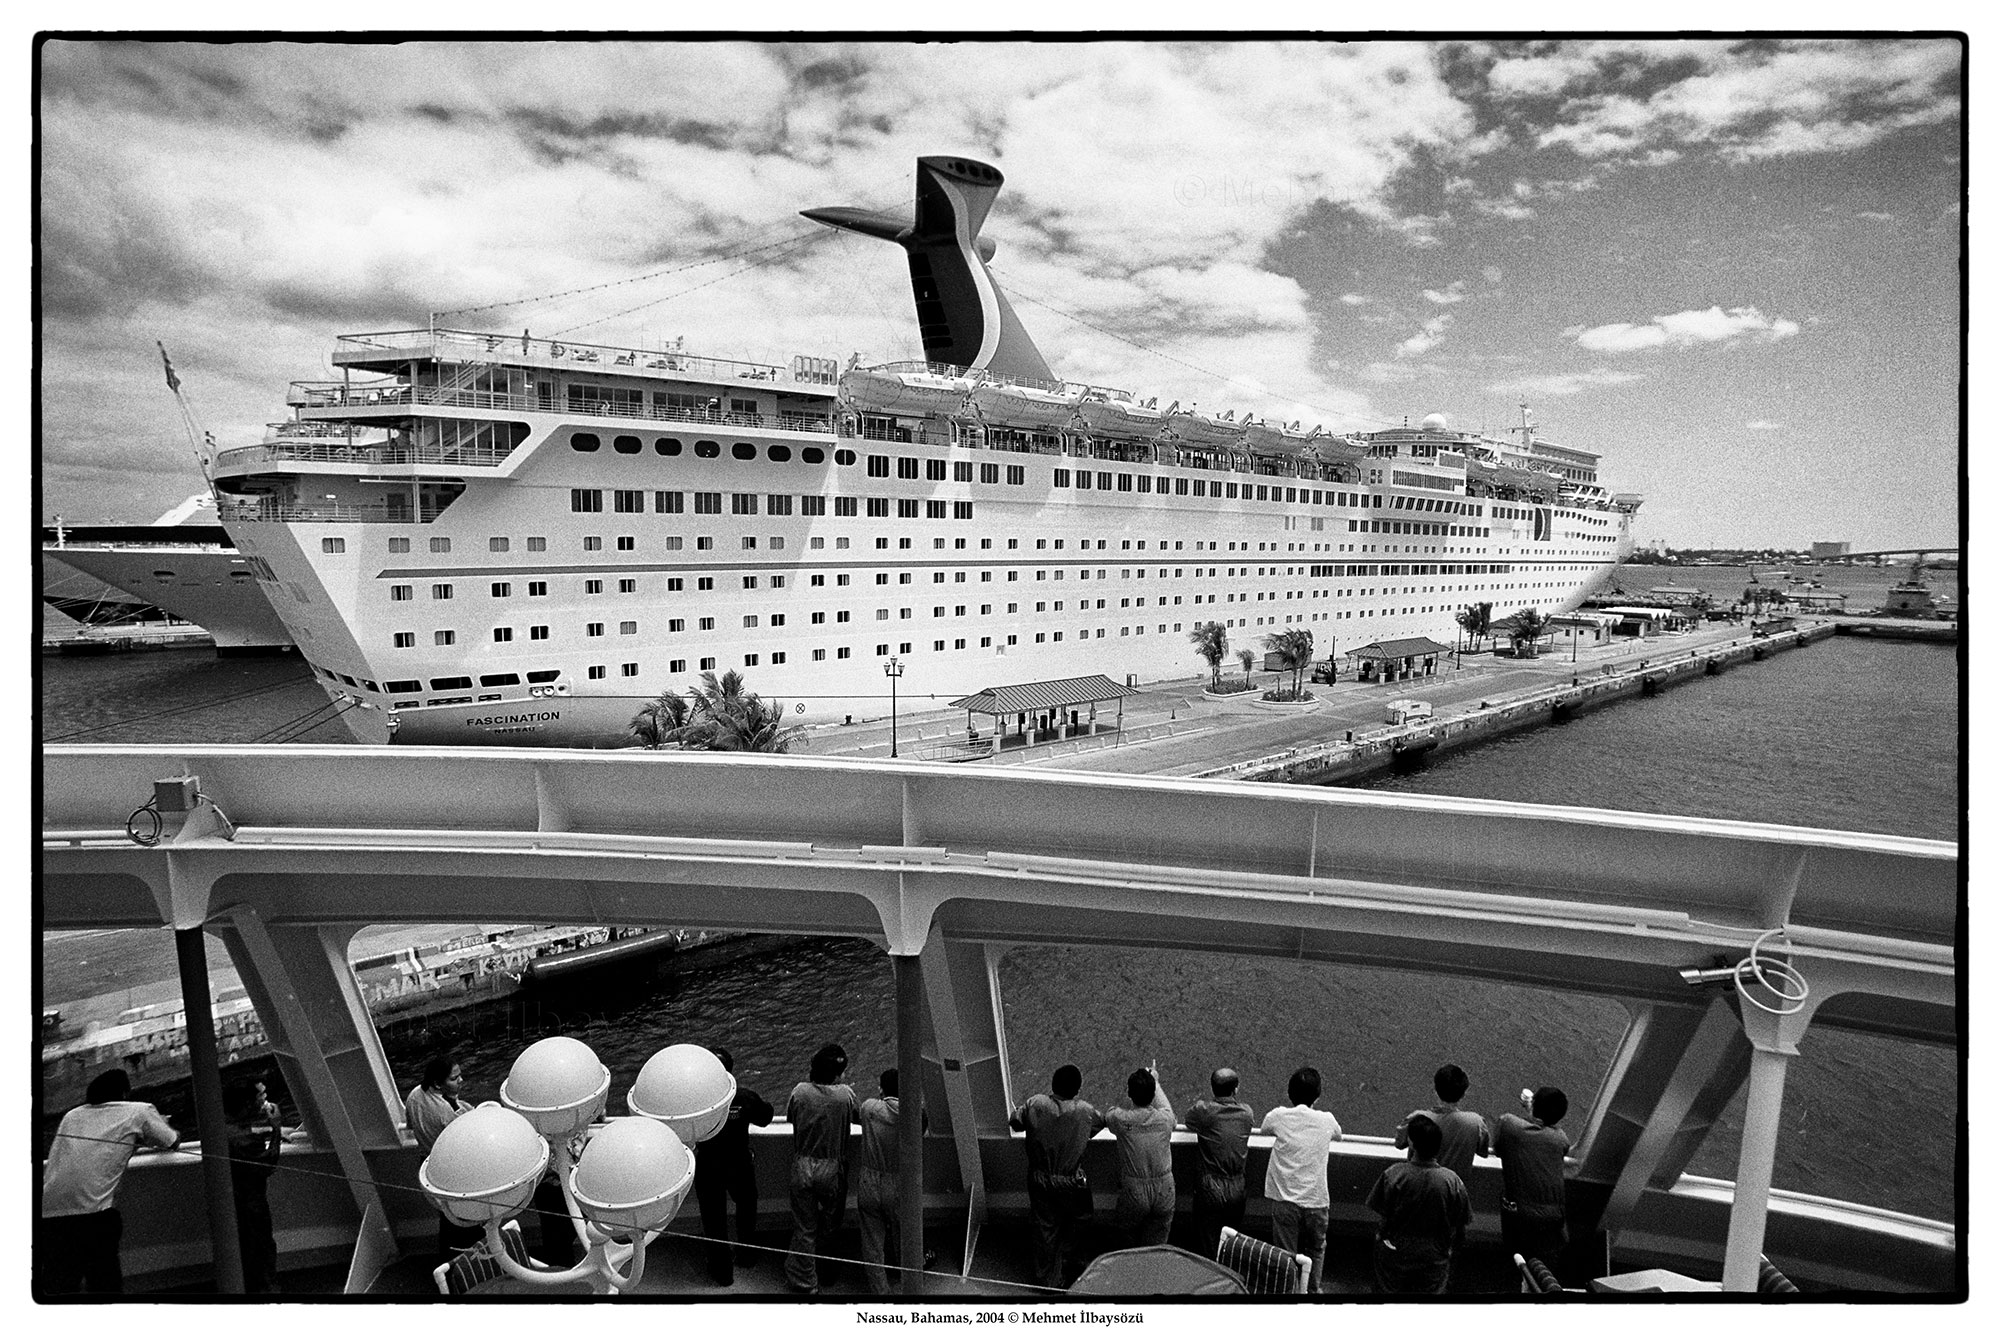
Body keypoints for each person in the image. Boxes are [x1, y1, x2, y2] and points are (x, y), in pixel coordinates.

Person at [38, 1068, 180, 1294]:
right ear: (124, 1093)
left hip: (48, 1213)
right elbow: (172, 1142)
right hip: (93, 1215)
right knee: (105, 1285)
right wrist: (160, 1123)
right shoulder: (139, 1111)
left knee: (58, 1286)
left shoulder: (71, 1116)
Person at [1009, 1064, 1105, 1291]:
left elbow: (1015, 1121)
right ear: (1077, 1089)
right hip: (1071, 1181)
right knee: (1081, 1217)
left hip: (1040, 1179)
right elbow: (1100, 1123)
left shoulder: (1035, 1103)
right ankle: (1068, 1258)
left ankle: (1047, 1279)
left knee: (1045, 1228)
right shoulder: (1085, 1111)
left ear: (1053, 1084)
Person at [1366, 1112, 1471, 1294]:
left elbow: (1382, 1214)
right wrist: (1448, 1251)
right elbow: (1461, 1225)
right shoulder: (1452, 1181)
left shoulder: (1393, 1174)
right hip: (1434, 1256)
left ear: (1412, 1144)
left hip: (1396, 1251)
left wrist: (1382, 1240)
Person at [695, 1046, 773, 1287]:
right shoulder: (744, 1098)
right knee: (747, 1207)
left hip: (709, 1165)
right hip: (739, 1163)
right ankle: (747, 1255)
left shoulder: (696, 1101)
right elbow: (765, 1117)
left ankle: (722, 1272)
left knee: (714, 1218)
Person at [1258, 1066, 1341, 1293]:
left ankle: (1288, 1292)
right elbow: (1339, 1135)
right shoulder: (1327, 1120)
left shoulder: (1278, 1116)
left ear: (1289, 1093)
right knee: (1316, 1250)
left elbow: (1264, 1129)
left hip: (1285, 1201)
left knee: (1285, 1254)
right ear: (1318, 1095)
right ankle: (1312, 1291)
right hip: (1316, 1201)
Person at [784, 1042, 857, 1295]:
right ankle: (827, 1272)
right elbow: (856, 1116)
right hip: (832, 1167)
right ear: (836, 1075)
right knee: (830, 1224)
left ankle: (805, 1282)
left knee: (804, 1228)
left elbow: (791, 1117)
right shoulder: (845, 1096)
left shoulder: (800, 1092)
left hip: (803, 1165)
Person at [856, 1067, 930, 1295]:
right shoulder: (915, 1114)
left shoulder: (869, 1108)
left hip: (869, 1180)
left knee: (872, 1241)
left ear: (881, 1089)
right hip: (899, 1182)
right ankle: (905, 1272)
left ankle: (880, 1291)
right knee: (904, 1233)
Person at [404, 1054, 480, 1257]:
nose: (461, 1080)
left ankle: (448, 1260)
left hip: (429, 1165)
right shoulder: (446, 1111)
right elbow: (466, 1142)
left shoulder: (414, 1095)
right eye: (454, 1078)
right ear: (438, 1084)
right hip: (452, 1169)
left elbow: (411, 1125)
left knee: (447, 1218)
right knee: (465, 1220)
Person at [1490, 1085, 1572, 1272]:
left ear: (1534, 1105)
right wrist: (1534, 1109)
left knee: (1517, 1258)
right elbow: (1546, 1132)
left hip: (1520, 1215)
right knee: (1545, 1266)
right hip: (1553, 1219)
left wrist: (1531, 1109)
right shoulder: (1560, 1138)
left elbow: (1500, 1146)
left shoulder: (1508, 1125)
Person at [1183, 1067, 1254, 1261]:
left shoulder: (1204, 1111)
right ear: (1236, 1089)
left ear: (1212, 1088)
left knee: (1207, 1242)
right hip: (1237, 1185)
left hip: (1210, 1187)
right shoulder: (1247, 1113)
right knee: (1231, 1241)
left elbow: (1189, 1121)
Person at [1103, 1064, 1175, 1247]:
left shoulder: (1120, 1119)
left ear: (1130, 1093)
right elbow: (1166, 1107)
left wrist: (1131, 1090)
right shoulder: (1166, 1119)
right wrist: (1155, 1082)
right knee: (1157, 1243)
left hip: (1135, 1190)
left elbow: (1110, 1112)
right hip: (1165, 1188)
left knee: (1126, 1239)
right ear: (1153, 1094)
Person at [226, 1079, 284, 1293]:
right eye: (260, 1096)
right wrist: (276, 1129)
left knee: (248, 1254)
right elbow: (267, 1164)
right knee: (261, 1251)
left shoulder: (227, 1127)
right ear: (248, 1104)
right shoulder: (242, 1139)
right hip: (251, 1204)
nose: (264, 1099)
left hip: (235, 1203)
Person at [1394, 1063, 1491, 1187]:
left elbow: (1399, 1143)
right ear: (1463, 1094)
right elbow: (1483, 1152)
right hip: (1454, 1192)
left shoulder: (1416, 1119)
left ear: (1435, 1090)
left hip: (1417, 1190)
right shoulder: (1476, 1123)